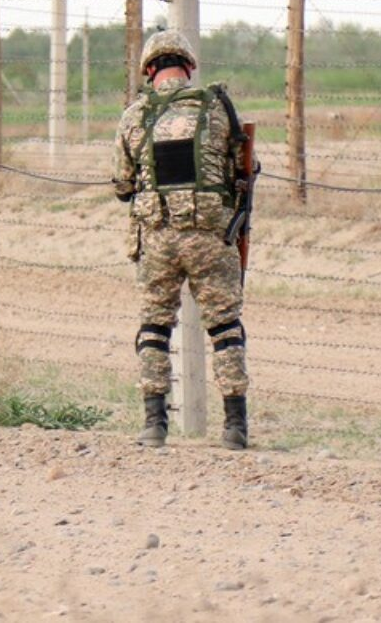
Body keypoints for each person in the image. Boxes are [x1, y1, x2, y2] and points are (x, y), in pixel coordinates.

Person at [113, 30, 251, 450]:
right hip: (211, 235)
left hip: (158, 237)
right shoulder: (217, 106)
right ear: (188, 66)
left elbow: (122, 185)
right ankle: (234, 427)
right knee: (225, 327)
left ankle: (154, 423)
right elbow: (243, 166)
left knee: (155, 327)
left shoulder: (134, 115)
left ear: (149, 69)